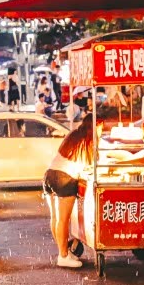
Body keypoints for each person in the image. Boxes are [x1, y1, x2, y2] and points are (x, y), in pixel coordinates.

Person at [44, 114, 101, 269]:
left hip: (50, 174)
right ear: (95, 125)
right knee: (63, 220)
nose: (101, 130)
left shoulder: (74, 134)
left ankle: (64, 252)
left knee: (56, 218)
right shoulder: (89, 140)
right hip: (64, 178)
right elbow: (90, 165)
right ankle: (63, 256)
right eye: (100, 126)